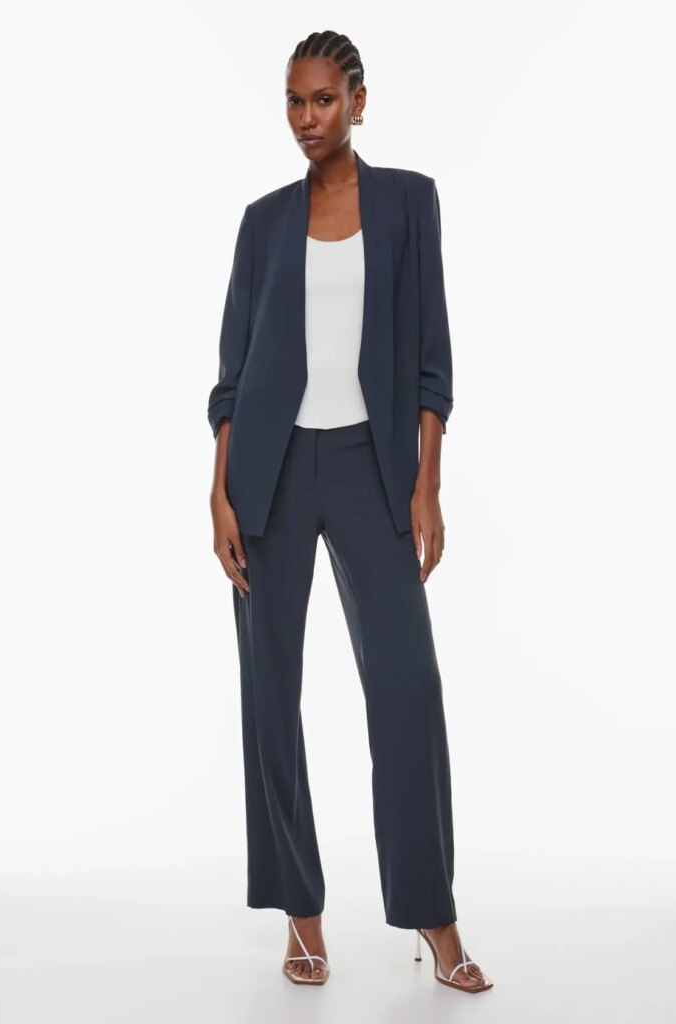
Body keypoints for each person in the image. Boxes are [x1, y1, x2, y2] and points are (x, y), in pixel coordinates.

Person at [207, 29, 493, 994]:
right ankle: (301, 914)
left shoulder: (409, 203)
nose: (307, 118)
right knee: (269, 695)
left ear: (358, 102)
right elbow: (232, 373)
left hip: (373, 471)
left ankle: (432, 916)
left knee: (406, 689)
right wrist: (220, 489)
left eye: (323, 99)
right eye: (293, 101)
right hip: (270, 475)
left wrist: (426, 482)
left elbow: (431, 360)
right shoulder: (262, 222)